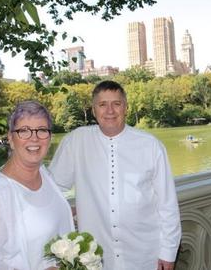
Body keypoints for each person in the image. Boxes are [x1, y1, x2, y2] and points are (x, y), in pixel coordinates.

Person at [49, 80, 181, 270]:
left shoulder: (151, 145)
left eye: (116, 104)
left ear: (126, 107)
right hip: (96, 258)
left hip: (145, 254)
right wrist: (68, 210)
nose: (109, 111)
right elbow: (52, 188)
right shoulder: (76, 142)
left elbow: (167, 205)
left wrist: (168, 252)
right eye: (102, 104)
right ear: (93, 110)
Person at [0, 101, 75, 270]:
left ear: (49, 137)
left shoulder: (44, 175)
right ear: (11, 139)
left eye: (42, 130)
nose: (34, 137)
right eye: (24, 130)